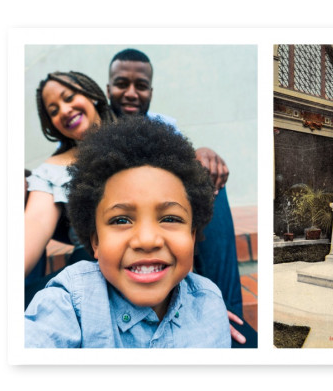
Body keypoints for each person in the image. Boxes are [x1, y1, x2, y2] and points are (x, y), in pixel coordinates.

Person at [25, 116, 231, 348]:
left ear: (192, 236)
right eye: (121, 219)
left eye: (170, 218)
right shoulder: (71, 301)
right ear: (95, 241)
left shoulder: (209, 304)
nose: (146, 240)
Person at [107, 49, 253, 345]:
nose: (132, 93)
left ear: (151, 90)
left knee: (208, 179)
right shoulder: (97, 127)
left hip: (166, 218)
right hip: (124, 224)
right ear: (109, 88)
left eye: (141, 85)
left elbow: (185, 163)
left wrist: (203, 154)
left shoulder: (164, 127)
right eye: (122, 84)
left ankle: (227, 311)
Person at [25, 71, 115, 281]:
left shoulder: (140, 137)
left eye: (69, 97)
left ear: (90, 94)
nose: (64, 110)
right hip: (89, 274)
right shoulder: (51, 171)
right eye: (54, 111)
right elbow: (34, 224)